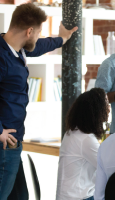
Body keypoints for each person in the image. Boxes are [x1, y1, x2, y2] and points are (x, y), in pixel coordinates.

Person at [0, 3, 77, 199]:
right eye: (39, 32)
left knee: (21, 197)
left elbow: (42, 45)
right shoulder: (2, 56)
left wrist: (62, 38)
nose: (38, 36)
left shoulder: (19, 49)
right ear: (29, 31)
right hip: (4, 145)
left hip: (14, 143)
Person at [56, 88, 110, 200]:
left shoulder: (72, 133)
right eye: (106, 104)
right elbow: (108, 168)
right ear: (97, 111)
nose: (109, 108)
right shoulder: (86, 140)